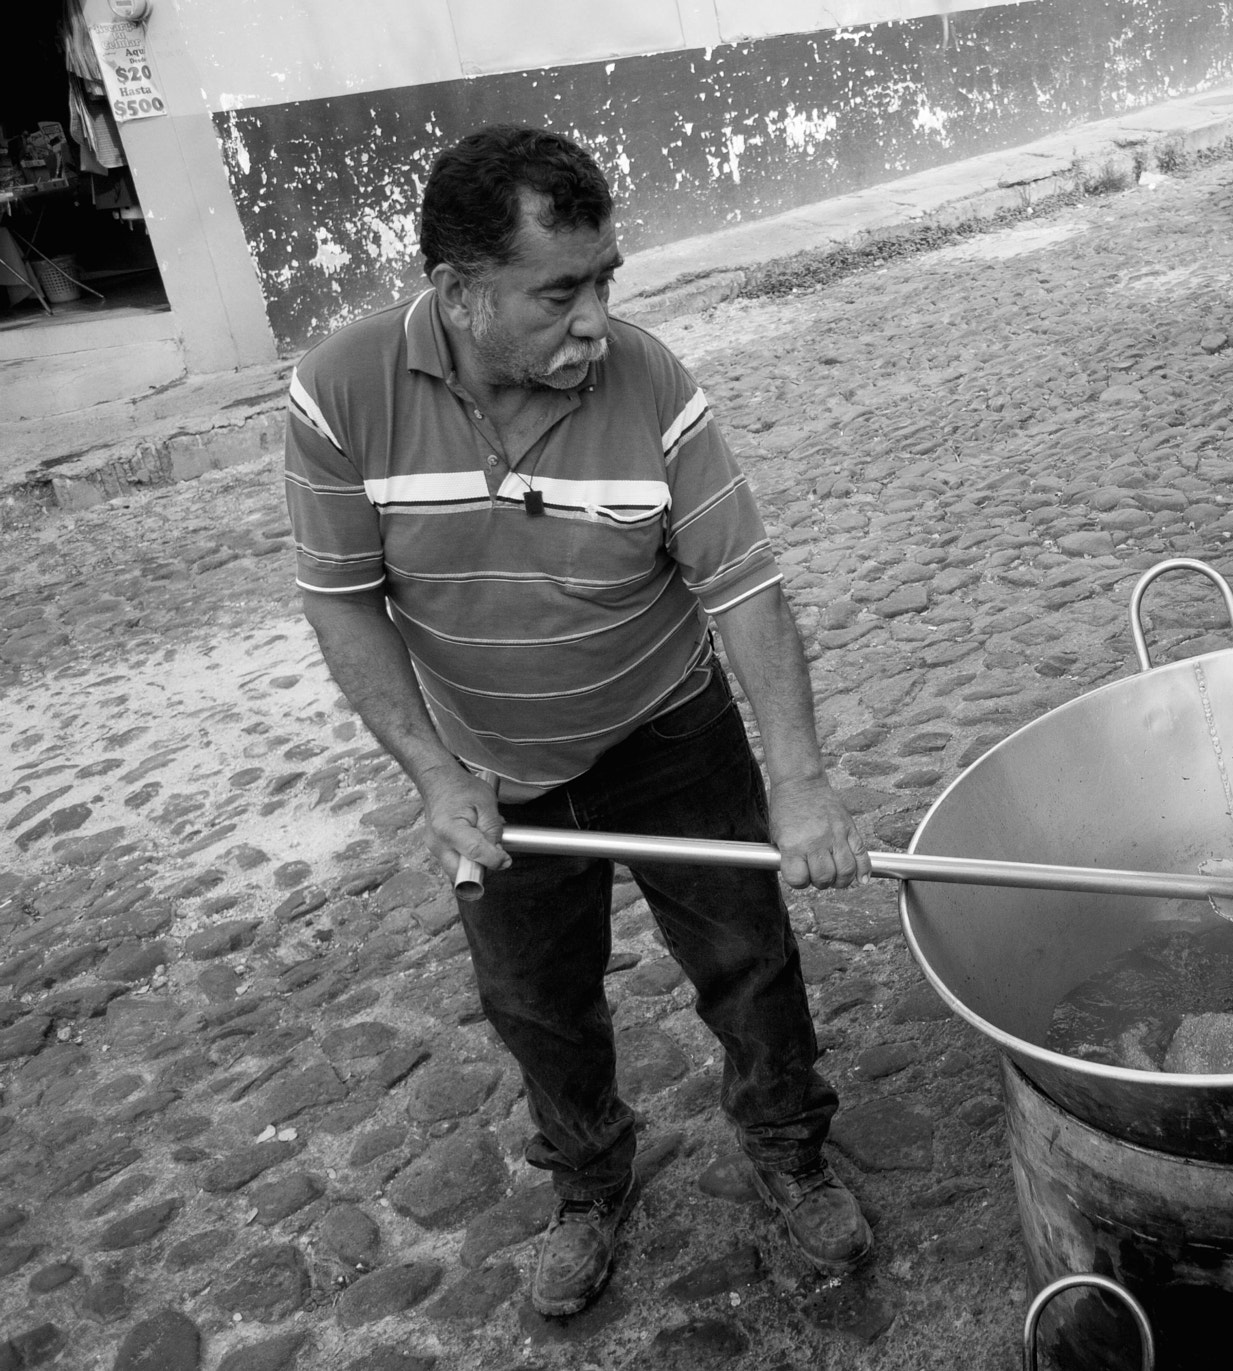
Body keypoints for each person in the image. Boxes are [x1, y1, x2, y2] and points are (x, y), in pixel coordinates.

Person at [283, 124, 874, 1318]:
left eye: (604, 281)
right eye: (560, 291)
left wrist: (798, 783)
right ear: (457, 292)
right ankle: (591, 1180)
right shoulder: (339, 395)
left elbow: (743, 586)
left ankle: (788, 1148)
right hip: (493, 777)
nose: (596, 318)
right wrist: (434, 779)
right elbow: (343, 604)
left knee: (746, 960)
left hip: (668, 731)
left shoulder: (649, 382)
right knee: (534, 1002)